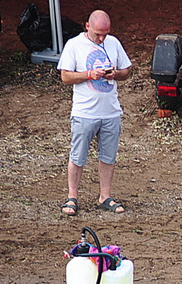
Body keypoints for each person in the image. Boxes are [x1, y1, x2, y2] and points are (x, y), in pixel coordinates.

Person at [58, 10, 132, 217]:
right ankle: (72, 196)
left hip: (111, 111)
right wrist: (89, 75)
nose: (102, 38)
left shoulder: (113, 43)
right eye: (98, 34)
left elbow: (127, 71)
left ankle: (105, 196)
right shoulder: (74, 45)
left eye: (105, 34)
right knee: (78, 155)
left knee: (108, 156)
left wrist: (116, 74)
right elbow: (65, 76)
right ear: (87, 26)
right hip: (84, 112)